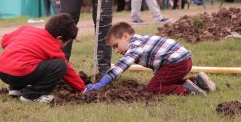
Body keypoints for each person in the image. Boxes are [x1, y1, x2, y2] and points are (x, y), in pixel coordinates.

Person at [86, 22, 216, 96]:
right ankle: (197, 82)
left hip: (176, 62)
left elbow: (122, 65)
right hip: (183, 60)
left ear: (125, 37)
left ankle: (188, 91)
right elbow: (159, 63)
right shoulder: (140, 39)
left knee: (152, 89)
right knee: (161, 83)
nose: (116, 50)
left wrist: (103, 82)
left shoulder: (134, 46)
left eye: (116, 45)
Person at [0, 13, 86, 103]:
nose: (66, 45)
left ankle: (16, 89)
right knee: (60, 65)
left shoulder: (26, 29)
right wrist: (83, 88)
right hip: (19, 74)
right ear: (59, 38)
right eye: (67, 42)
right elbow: (68, 71)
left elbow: (4, 41)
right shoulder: (53, 46)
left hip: (1, 71)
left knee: (26, 61)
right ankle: (33, 95)